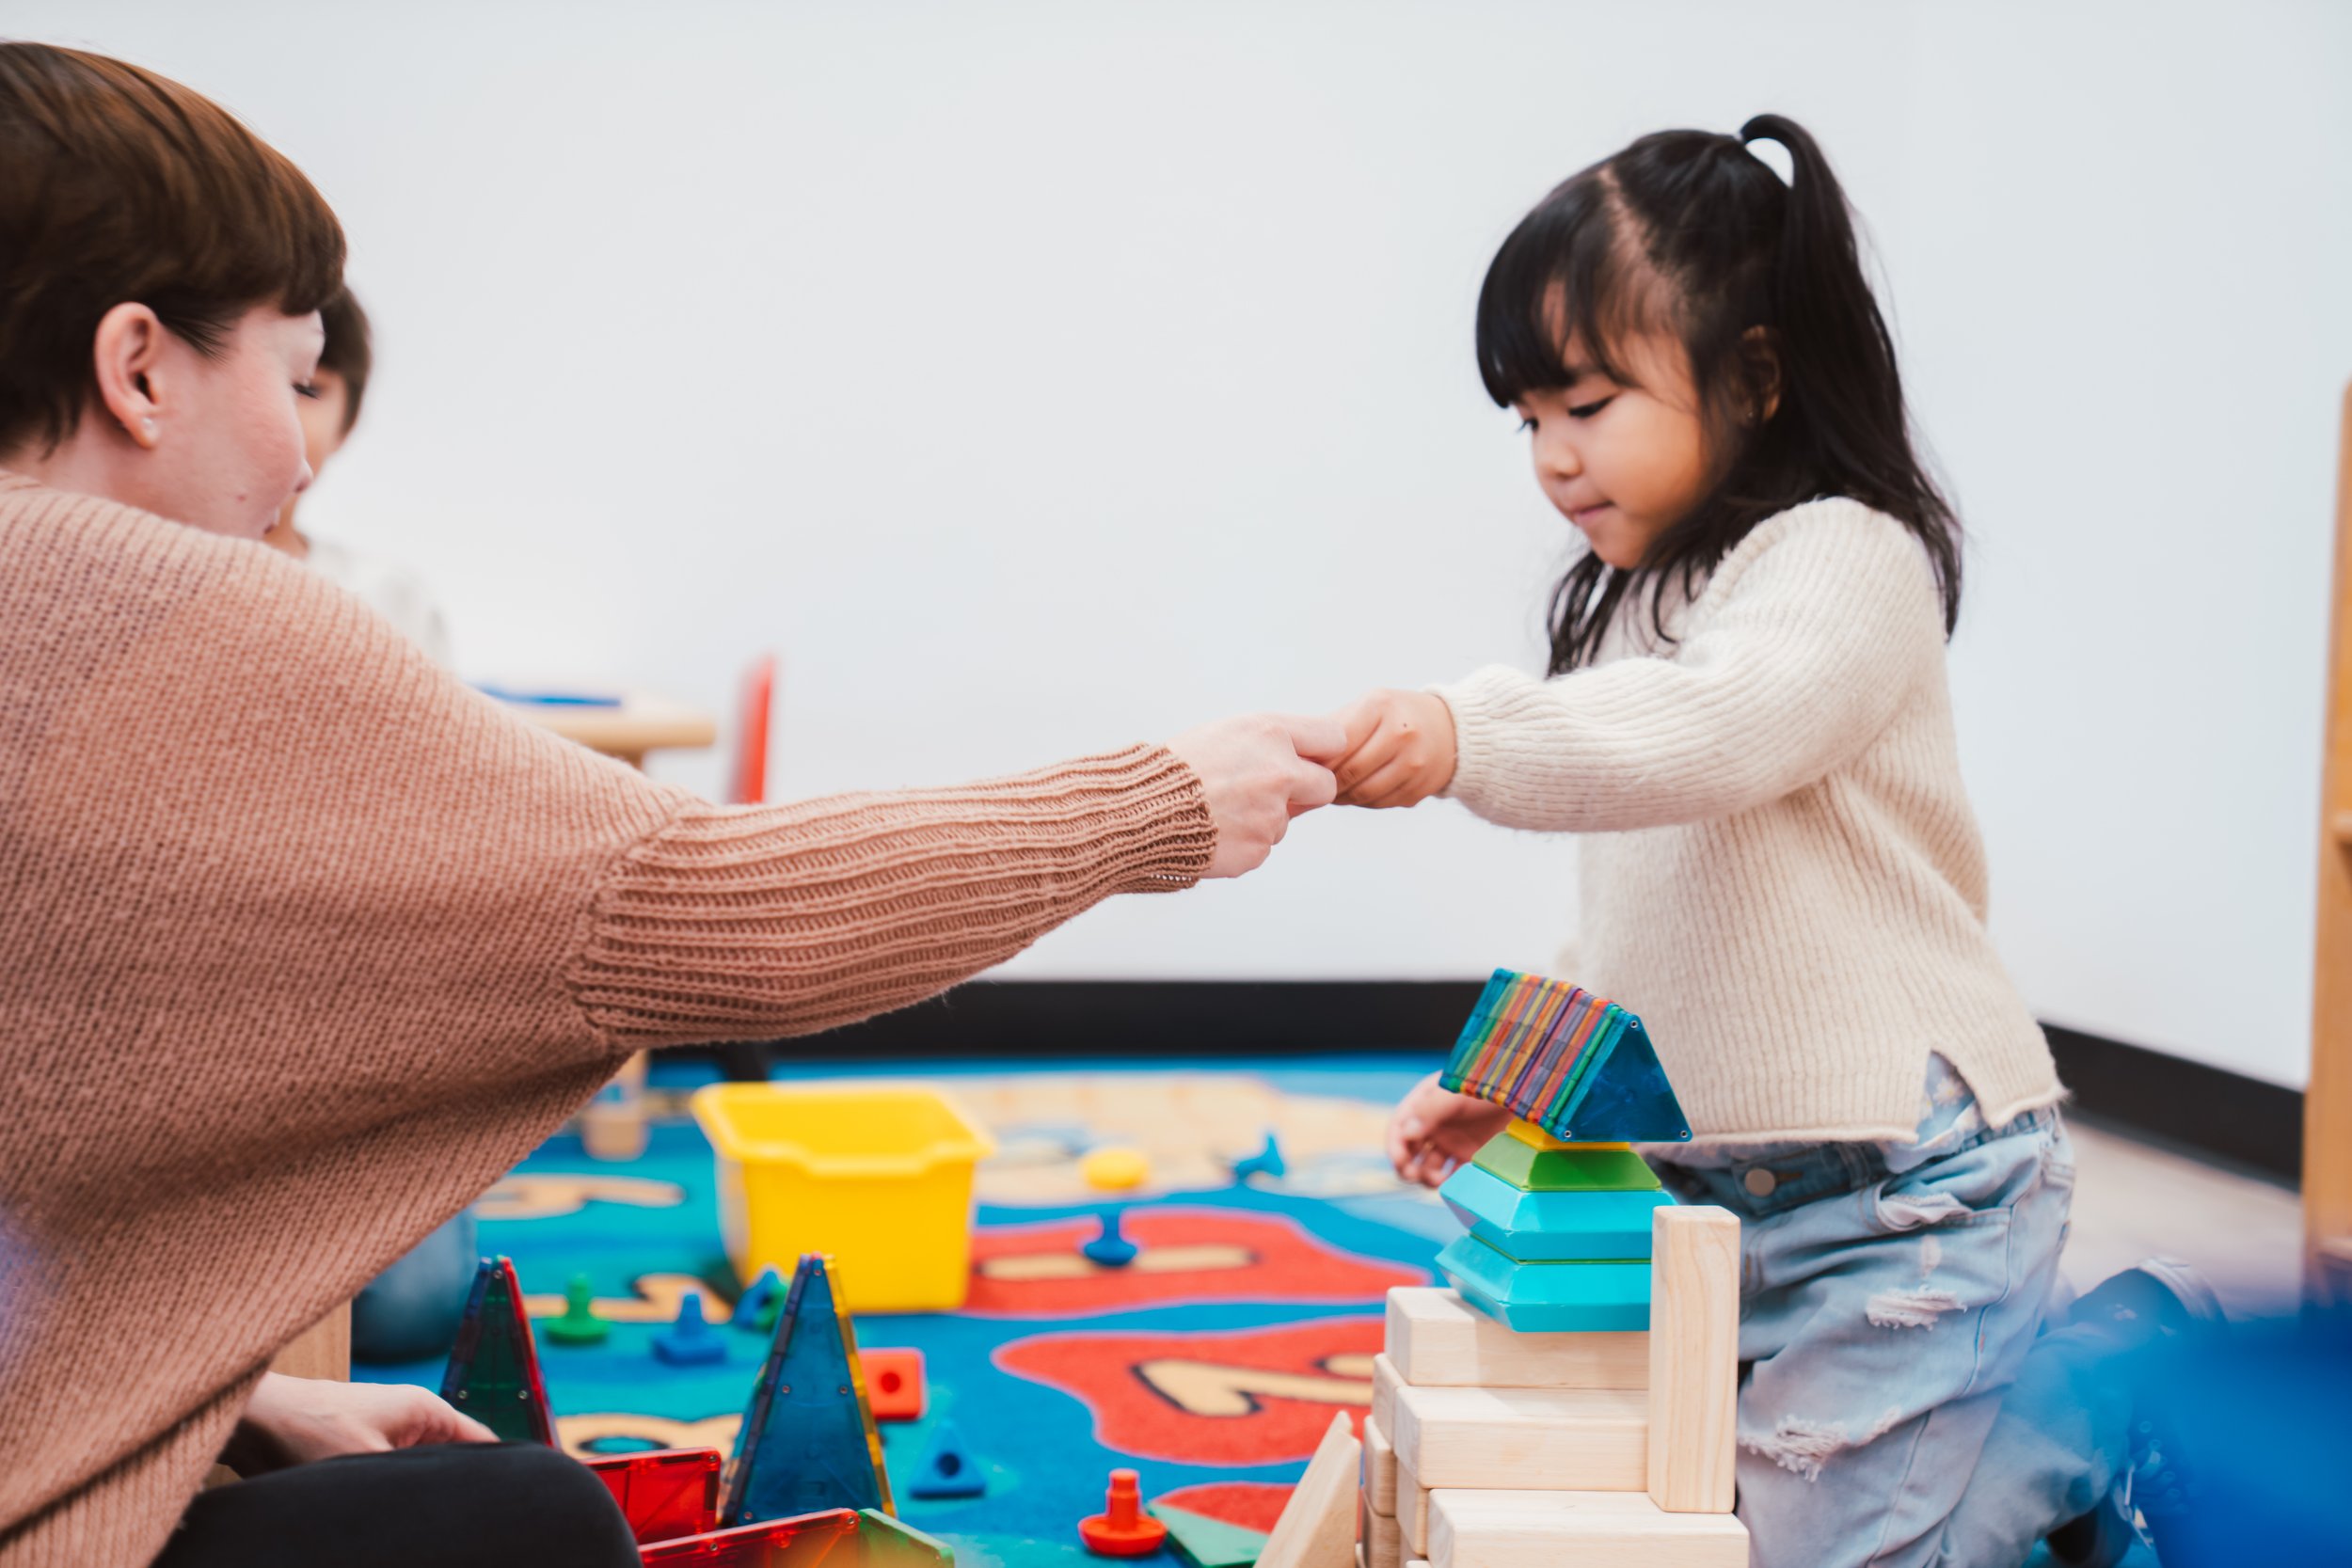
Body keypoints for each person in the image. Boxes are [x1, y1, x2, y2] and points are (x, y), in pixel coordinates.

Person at [0, 42, 1340, 1568]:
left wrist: (243, 1406)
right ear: (140, 365)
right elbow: (701, 909)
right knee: (536, 1512)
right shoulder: (166, 612)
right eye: (293, 374)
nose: (303, 453)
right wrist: (1159, 804)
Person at [1337, 116, 2208, 1567]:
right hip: (1729, 1212)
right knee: (1715, 1511)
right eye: (1529, 420)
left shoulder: (1840, 561)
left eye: (1591, 402)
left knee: (1826, 1553)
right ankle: (2053, 1396)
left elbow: (1720, 724)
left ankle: (2105, 1384)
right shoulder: (1634, 603)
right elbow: (1633, 918)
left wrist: (1462, 734)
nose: (1553, 457)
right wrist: (1513, 1076)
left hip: (1913, 1187)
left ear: (1753, 372)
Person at [260, 284, 453, 666]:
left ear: (349, 421)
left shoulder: (392, 600)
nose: (282, 415)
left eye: (308, 389)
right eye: (264, 382)